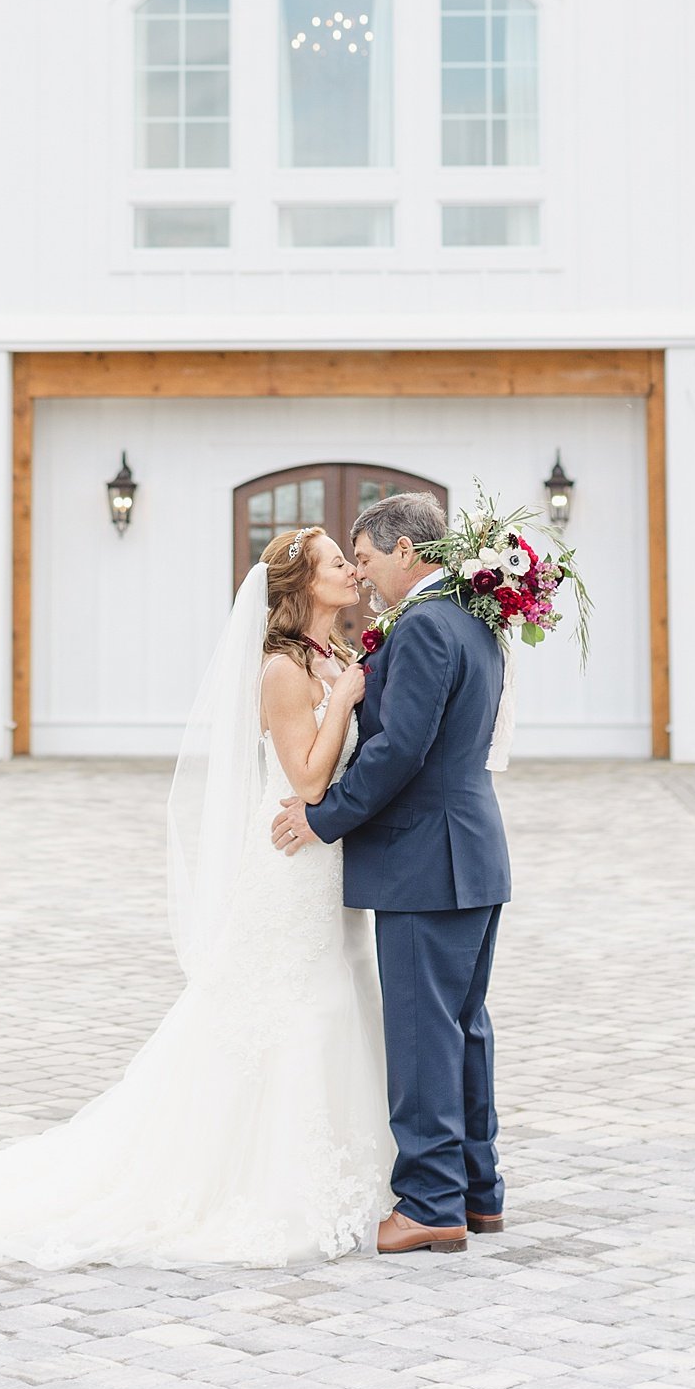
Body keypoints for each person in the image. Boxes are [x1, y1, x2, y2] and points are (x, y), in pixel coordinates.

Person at [0, 526, 394, 1269]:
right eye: (337, 564)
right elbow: (307, 781)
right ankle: (265, 1184)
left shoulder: (337, 656)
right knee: (291, 1005)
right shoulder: (284, 670)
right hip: (291, 862)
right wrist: (344, 701)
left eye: (351, 562)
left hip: (328, 864)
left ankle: (347, 1176)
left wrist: (349, 687)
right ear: (301, 585)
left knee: (336, 1000)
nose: (352, 571)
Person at [270, 491, 511, 1257]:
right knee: (463, 1028)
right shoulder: (474, 621)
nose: (363, 575)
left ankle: (431, 1203)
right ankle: (478, 1192)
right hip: (467, 852)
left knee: (421, 1035)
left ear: (406, 552)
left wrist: (322, 817)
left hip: (423, 860)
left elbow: (397, 751)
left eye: (367, 558)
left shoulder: (425, 628)